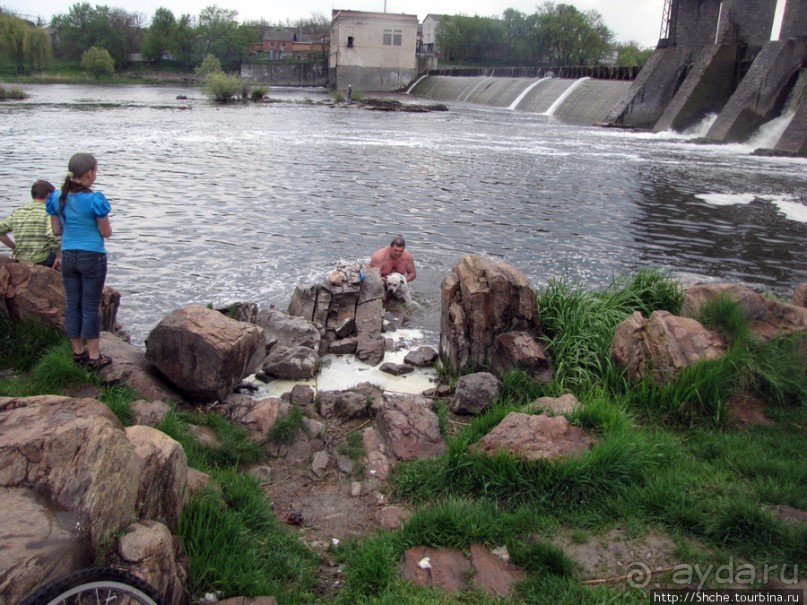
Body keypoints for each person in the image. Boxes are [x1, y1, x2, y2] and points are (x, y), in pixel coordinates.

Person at [46, 153, 113, 370]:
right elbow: (106, 232)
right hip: (92, 256)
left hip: (68, 255)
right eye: (96, 170)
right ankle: (94, 356)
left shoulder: (56, 198)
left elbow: (56, 230)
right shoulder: (95, 200)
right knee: (90, 306)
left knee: (73, 304)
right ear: (89, 174)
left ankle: (78, 352)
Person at [0, 180, 62, 269]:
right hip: (43, 259)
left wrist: (15, 248)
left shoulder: (19, 211)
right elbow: (52, 235)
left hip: (22, 258)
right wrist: (59, 255)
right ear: (49, 195)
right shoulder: (49, 212)